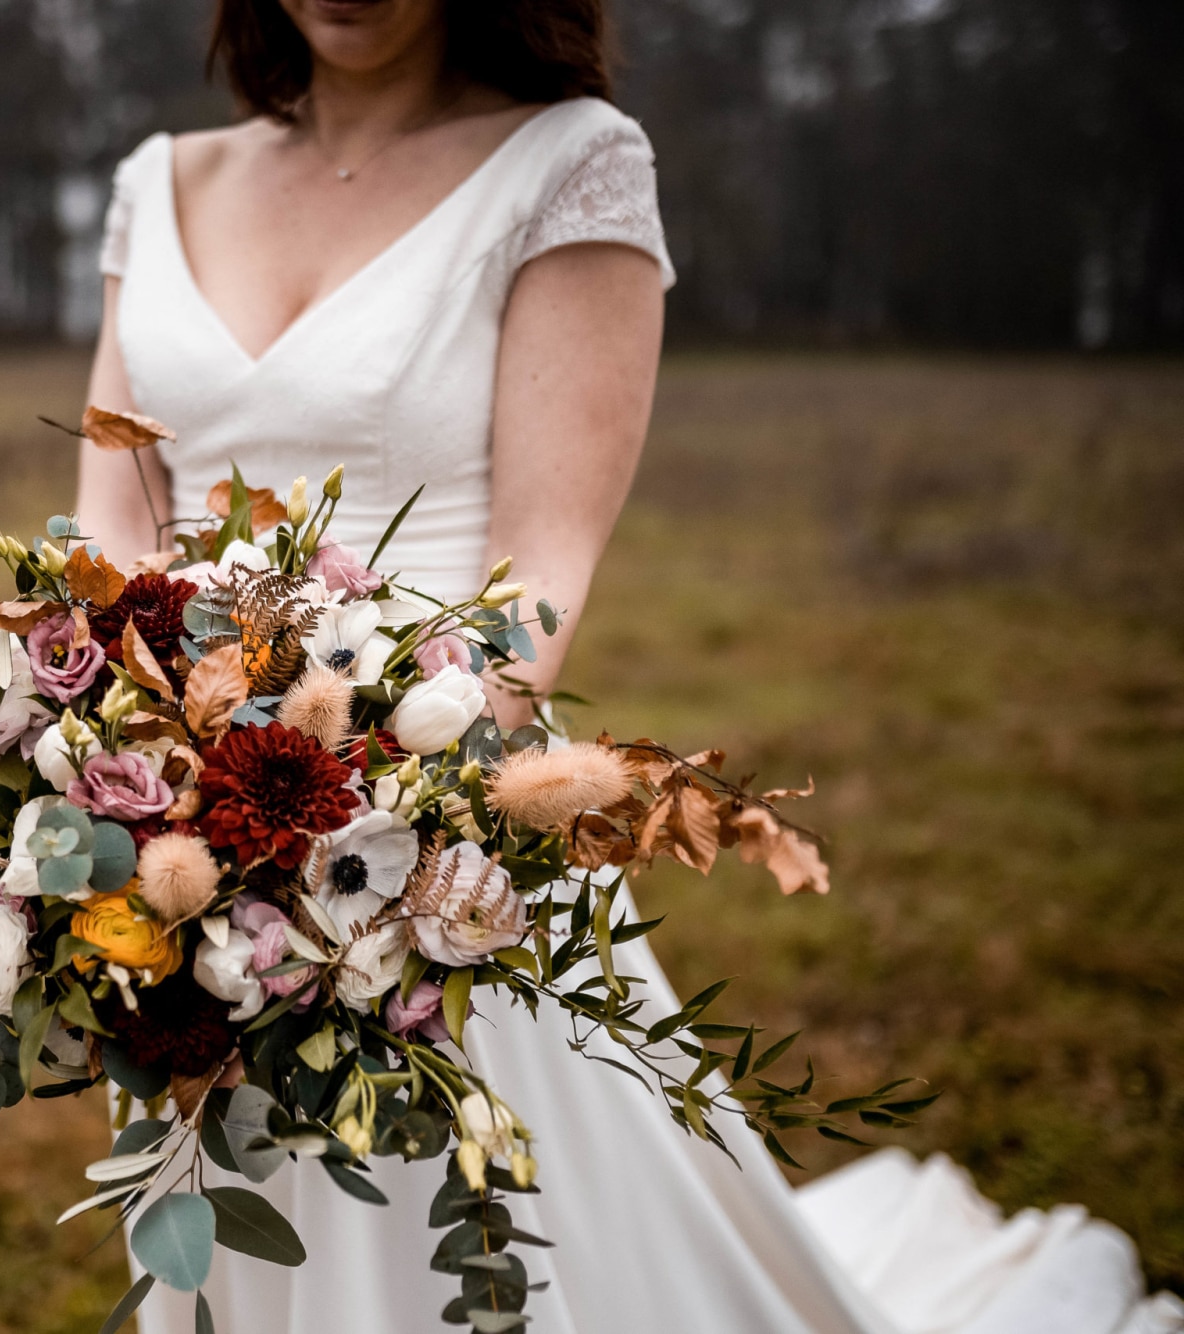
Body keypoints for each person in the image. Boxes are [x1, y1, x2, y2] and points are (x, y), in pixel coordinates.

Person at [75, 2, 1184, 1332]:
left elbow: (544, 560)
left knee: (468, 1231)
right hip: (176, 833)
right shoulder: (163, 181)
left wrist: (374, 805)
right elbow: (115, 521)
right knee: (242, 1211)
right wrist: (108, 763)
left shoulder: (570, 161)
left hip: (430, 825)